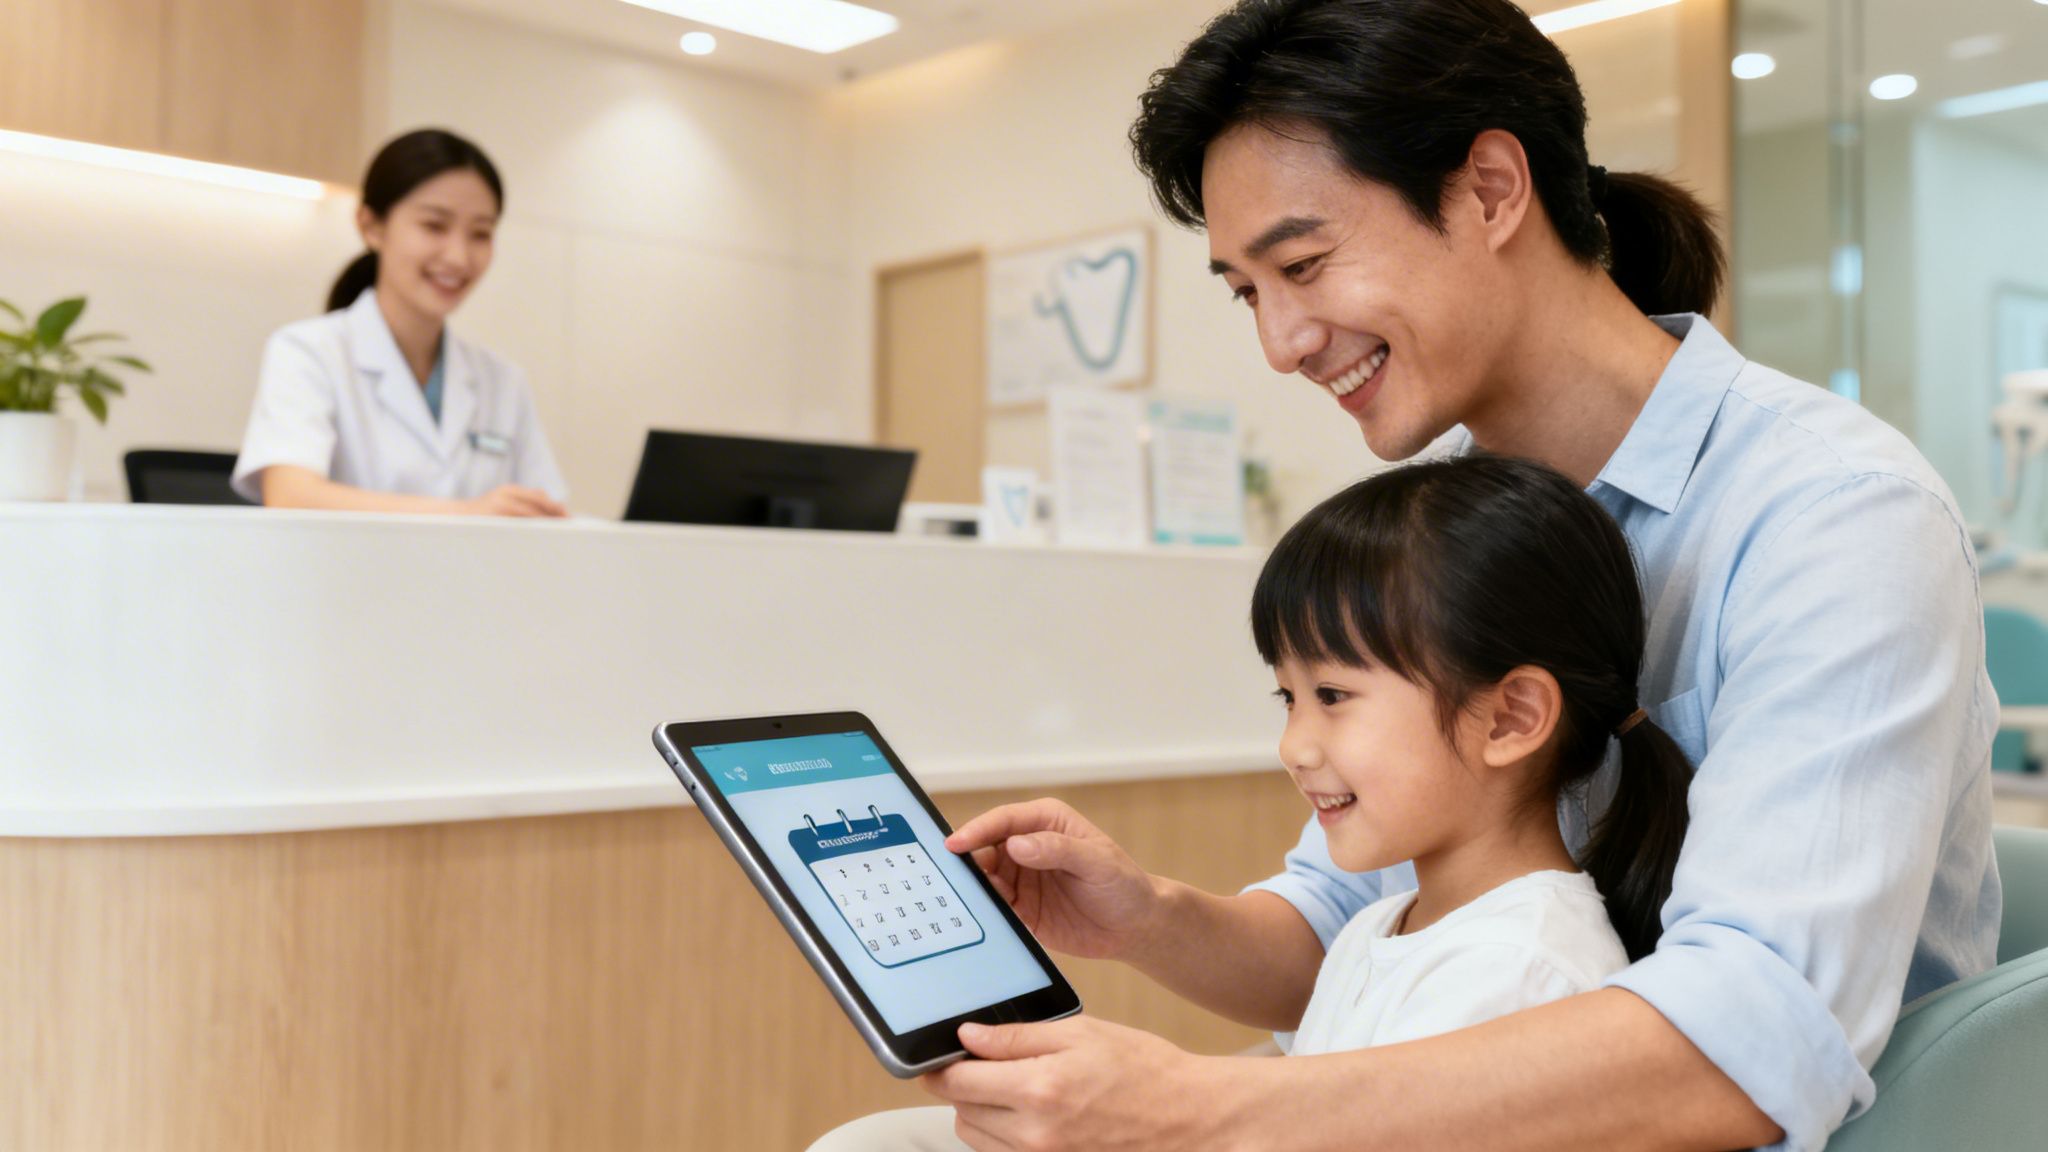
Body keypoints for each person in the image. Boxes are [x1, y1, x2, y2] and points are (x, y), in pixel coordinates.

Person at [818, 1, 1999, 1149]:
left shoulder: (1830, 516)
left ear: (1489, 189)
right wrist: (1147, 916)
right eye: (1247, 293)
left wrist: (1195, 1114)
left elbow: (1754, 1040)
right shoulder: (1444, 518)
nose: (1280, 343)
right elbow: (1346, 926)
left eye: (1305, 264)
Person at [1253, 455, 1690, 1057]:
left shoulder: (1521, 968)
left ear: (1512, 718)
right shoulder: (1373, 930)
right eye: (1288, 697)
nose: (1292, 747)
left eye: (1331, 695)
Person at [231, 129, 568, 516]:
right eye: (434, 226)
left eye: (480, 233)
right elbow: (291, 495)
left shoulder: (503, 383)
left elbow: (548, 513)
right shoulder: (308, 352)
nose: (459, 257)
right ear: (372, 227)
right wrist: (467, 514)